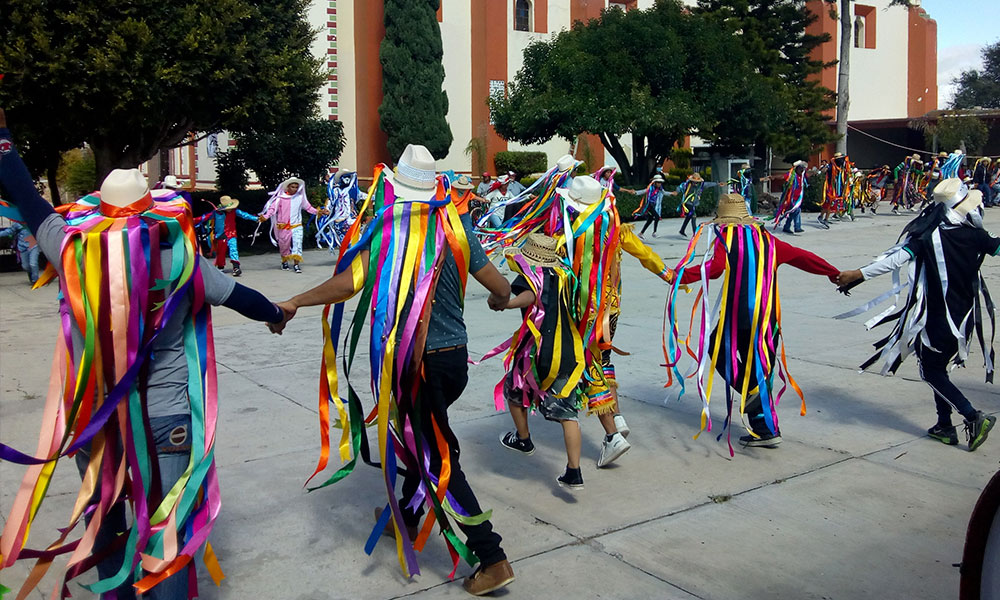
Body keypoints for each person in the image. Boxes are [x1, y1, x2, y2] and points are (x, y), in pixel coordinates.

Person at [0, 109, 289, 599]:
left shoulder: (67, 247)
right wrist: (277, 314)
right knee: (167, 534)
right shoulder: (180, 259)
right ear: (149, 208)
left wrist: (5, 136)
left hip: (93, 417)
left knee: (106, 528)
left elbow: (23, 193)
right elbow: (244, 299)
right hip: (168, 415)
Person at [270, 144, 515, 596]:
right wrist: (504, 298)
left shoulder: (386, 229)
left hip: (415, 364)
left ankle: (491, 555)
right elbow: (497, 285)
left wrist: (296, 302)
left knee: (437, 453)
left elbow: (349, 283)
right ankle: (404, 515)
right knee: (418, 436)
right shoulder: (456, 226)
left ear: (394, 185)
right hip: (454, 359)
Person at [666, 194, 840, 452]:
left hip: (738, 318)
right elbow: (802, 256)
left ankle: (752, 396)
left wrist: (677, 276)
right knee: (759, 367)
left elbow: (712, 271)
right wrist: (832, 272)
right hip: (767, 320)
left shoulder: (725, 241)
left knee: (718, 350)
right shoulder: (769, 241)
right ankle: (766, 430)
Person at [836, 178, 997, 452]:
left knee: (931, 371)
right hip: (962, 318)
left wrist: (857, 274)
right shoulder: (976, 236)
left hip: (936, 317)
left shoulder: (926, 237)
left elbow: (894, 260)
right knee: (937, 366)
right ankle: (944, 425)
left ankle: (972, 416)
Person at [496, 234, 589, 488]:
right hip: (569, 350)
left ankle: (523, 439)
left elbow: (530, 296)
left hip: (538, 351)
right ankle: (574, 471)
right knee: (568, 413)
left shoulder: (531, 276)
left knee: (514, 389)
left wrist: (507, 303)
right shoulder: (565, 276)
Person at [258, 177, 328, 272]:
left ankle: (296, 265)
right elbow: (272, 209)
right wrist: (265, 216)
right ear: (288, 187)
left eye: (296, 187)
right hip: (283, 227)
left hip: (297, 226)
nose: (295, 189)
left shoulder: (300, 198)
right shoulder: (280, 199)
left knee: (297, 244)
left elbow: (308, 207)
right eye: (292, 187)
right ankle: (285, 262)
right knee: (284, 246)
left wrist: (319, 212)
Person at [194, 194, 258, 276]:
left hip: (231, 234)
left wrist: (256, 219)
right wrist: (193, 221)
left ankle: (236, 267)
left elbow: (244, 215)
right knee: (221, 252)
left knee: (233, 249)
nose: (230, 210)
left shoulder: (235, 211)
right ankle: (220, 267)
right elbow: (204, 217)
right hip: (221, 235)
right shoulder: (216, 213)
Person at [316, 169, 366, 251]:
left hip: (352, 219)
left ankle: (355, 257)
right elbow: (330, 202)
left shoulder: (354, 191)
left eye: (349, 177)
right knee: (344, 242)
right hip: (340, 221)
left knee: (357, 239)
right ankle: (347, 258)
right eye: (345, 177)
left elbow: (365, 196)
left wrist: (376, 196)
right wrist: (327, 209)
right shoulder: (336, 191)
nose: (347, 179)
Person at [674, 172, 721, 237]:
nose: (695, 183)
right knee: (693, 215)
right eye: (694, 181)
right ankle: (695, 232)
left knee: (689, 217)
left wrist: (717, 184)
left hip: (694, 203)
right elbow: (680, 187)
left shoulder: (701, 185)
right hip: (687, 202)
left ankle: (682, 230)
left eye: (696, 182)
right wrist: (677, 191)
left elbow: (708, 184)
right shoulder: (687, 185)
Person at [773, 160, 808, 234]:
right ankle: (797, 227)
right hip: (790, 199)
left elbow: (810, 174)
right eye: (801, 169)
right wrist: (773, 177)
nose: (802, 170)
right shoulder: (791, 175)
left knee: (792, 213)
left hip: (797, 198)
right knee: (797, 210)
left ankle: (786, 227)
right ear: (797, 168)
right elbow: (782, 176)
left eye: (803, 169)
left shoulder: (802, 176)